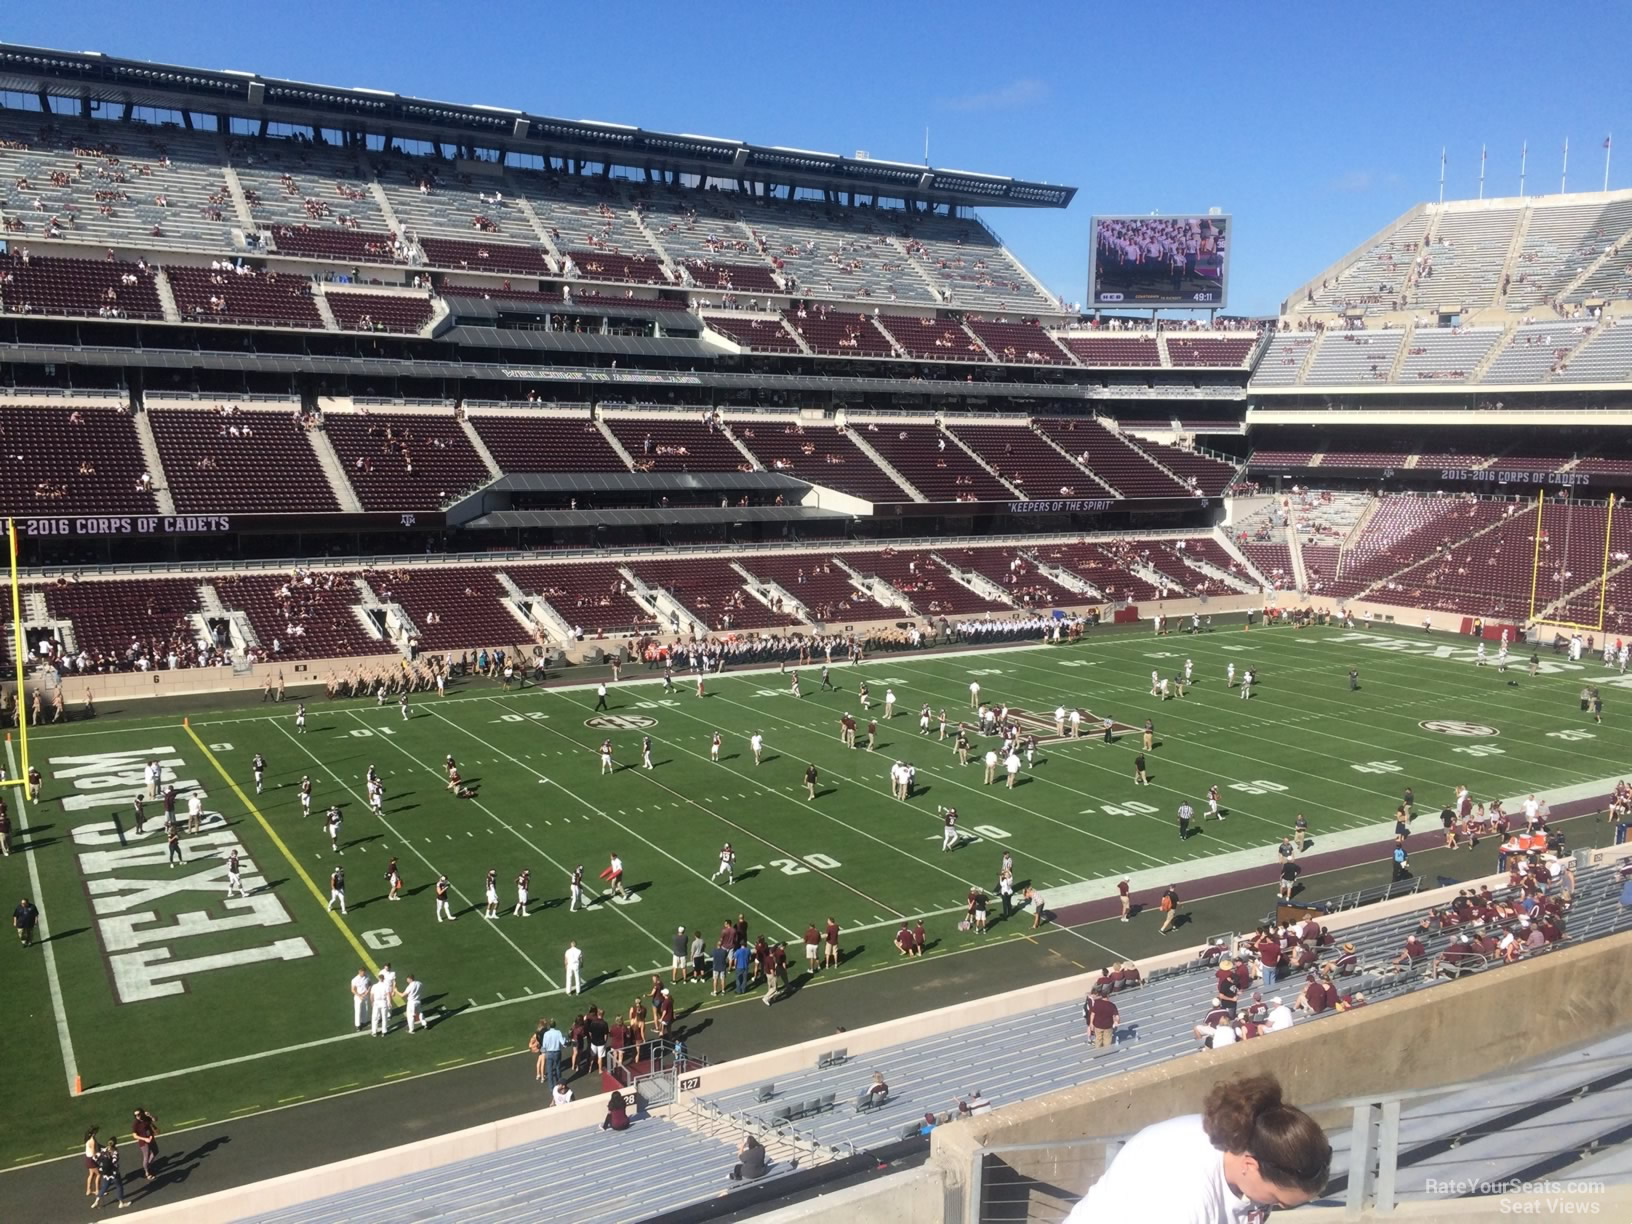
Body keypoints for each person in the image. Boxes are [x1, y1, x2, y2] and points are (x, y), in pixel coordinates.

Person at [1064, 1073, 1330, 1222]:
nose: (1276, 1208)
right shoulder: (1181, 1195)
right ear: (1250, 1165)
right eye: (1277, 1200)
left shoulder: (1251, 1146)